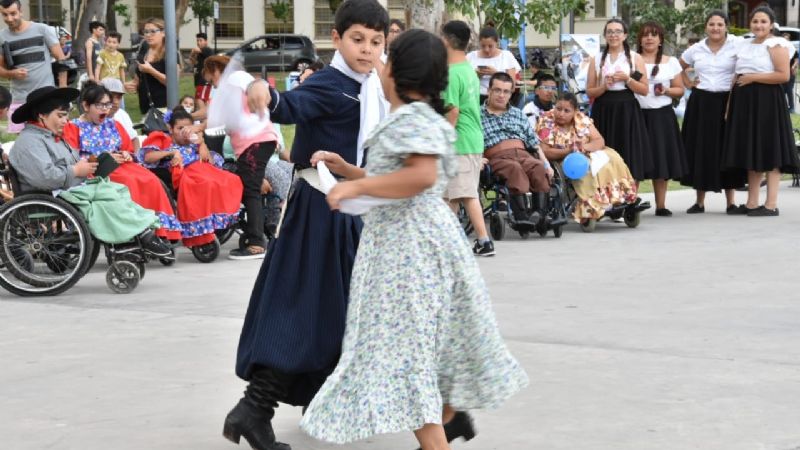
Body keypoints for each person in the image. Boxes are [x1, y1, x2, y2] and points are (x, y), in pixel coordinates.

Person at [298, 28, 527, 450]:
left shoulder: (409, 118)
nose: (376, 66)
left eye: (383, 58)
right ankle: (446, 418)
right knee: (413, 347)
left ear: (396, 73)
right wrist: (348, 170)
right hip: (419, 243)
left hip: (407, 251)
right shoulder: (420, 119)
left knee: (399, 350)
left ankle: (437, 434)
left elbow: (419, 177)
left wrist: (355, 190)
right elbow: (397, 175)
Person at [224, 1, 389, 449]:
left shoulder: (373, 85)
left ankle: (319, 401)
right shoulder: (331, 84)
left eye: (376, 41)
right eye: (358, 39)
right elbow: (292, 104)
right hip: (319, 211)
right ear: (335, 39)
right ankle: (253, 410)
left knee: (341, 310)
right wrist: (265, 93)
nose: (368, 49)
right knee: (304, 309)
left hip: (348, 212)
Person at [7, 86, 171, 255]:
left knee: (116, 190)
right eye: (60, 116)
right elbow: (45, 177)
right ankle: (137, 236)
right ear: (41, 115)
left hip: (68, 187)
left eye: (66, 116)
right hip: (50, 193)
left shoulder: (49, 136)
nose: (65, 121)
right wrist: (76, 171)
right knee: (106, 196)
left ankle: (140, 232)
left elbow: (71, 163)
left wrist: (87, 165)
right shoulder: (30, 142)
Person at [62, 82, 182, 241]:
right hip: (97, 172)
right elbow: (73, 157)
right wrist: (103, 157)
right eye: (99, 105)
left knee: (151, 180)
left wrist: (127, 154)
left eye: (107, 105)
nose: (105, 109)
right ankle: (137, 229)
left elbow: (130, 149)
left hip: (123, 166)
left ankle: (161, 229)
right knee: (128, 182)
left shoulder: (114, 124)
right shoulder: (74, 127)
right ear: (86, 105)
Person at [721, 6, 800, 216]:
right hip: (743, 102)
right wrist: (730, 106)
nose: (758, 25)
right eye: (755, 21)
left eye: (763, 21)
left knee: (769, 150)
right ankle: (752, 202)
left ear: (771, 24)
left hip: (766, 102)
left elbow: (783, 76)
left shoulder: (777, 44)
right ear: (750, 23)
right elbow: (736, 77)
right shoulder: (744, 45)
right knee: (751, 151)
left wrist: (753, 78)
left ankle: (771, 204)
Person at [203, 54, 280, 260]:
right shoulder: (233, 87)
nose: (213, 84)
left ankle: (256, 243)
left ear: (216, 69)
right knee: (249, 189)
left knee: (251, 191)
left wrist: (199, 125)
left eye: (211, 79)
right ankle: (255, 236)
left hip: (255, 142)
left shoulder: (235, 79)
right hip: (255, 143)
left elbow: (220, 118)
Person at [679, 11, 747, 214]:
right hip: (701, 101)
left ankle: (731, 202)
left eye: (719, 24)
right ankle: (699, 202)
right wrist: (688, 83)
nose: (715, 28)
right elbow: (679, 67)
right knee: (701, 148)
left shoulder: (738, 45)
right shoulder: (696, 49)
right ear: (706, 27)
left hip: (728, 101)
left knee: (727, 148)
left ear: (726, 26)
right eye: (711, 24)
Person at [537, 93, 639, 221]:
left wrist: (584, 148)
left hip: (587, 151)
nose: (561, 113)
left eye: (566, 110)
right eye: (558, 109)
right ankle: (594, 204)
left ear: (574, 111)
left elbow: (599, 140)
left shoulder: (581, 119)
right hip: (564, 159)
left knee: (614, 158)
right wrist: (569, 151)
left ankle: (621, 197)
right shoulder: (546, 120)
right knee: (586, 167)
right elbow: (545, 151)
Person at [441, 20, 494, 257]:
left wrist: (443, 140)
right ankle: (445, 242)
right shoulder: (469, 71)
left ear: (447, 41)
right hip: (472, 138)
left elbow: (452, 110)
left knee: (466, 193)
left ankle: (484, 240)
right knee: (450, 194)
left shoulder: (452, 74)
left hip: (459, 140)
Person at [482, 72, 553, 227]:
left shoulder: (517, 114)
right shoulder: (478, 115)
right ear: (489, 91)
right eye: (497, 90)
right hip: (497, 157)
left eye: (506, 91)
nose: (501, 95)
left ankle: (540, 216)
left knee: (539, 168)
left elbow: (533, 142)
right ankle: (521, 217)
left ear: (511, 93)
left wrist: (546, 163)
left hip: (522, 153)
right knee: (514, 169)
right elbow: (472, 141)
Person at [165, 107, 243, 248]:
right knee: (206, 184)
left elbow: (210, 161)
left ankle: (222, 221)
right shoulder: (168, 145)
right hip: (189, 174)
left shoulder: (196, 144)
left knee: (232, 179)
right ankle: (204, 227)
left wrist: (201, 143)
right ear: (170, 129)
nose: (184, 131)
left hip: (205, 169)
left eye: (188, 128)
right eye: (180, 128)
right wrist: (173, 154)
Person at [586, 18, 652, 181]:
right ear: (605, 35)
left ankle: (630, 198)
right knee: (603, 153)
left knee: (629, 152)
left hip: (627, 108)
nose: (613, 35)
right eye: (609, 32)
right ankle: (606, 196)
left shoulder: (635, 58)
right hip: (603, 108)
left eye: (617, 31)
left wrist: (627, 79)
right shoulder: (596, 59)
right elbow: (589, 91)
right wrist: (604, 87)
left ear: (625, 35)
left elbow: (644, 90)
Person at [635, 21, 688, 216]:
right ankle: (631, 203)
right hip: (637, 114)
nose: (649, 38)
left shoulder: (670, 61)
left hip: (662, 115)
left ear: (660, 40)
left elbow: (680, 90)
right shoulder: (632, 59)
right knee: (635, 160)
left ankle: (661, 205)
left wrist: (666, 90)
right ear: (639, 39)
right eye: (645, 34)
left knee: (661, 159)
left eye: (654, 35)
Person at [0, 0, 66, 133]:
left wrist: (62, 92)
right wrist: (12, 74)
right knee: (23, 142)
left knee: (49, 136)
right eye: (5, 15)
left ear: (21, 11)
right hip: (19, 98)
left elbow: (61, 60)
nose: (9, 18)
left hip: (45, 96)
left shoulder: (42, 30)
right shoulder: (2, 36)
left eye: (13, 13)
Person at [125, 18, 177, 115]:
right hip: (146, 108)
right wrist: (132, 85)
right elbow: (138, 79)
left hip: (164, 107)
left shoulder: (170, 53)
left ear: (163, 33)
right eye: (146, 32)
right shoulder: (144, 51)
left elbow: (172, 83)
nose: (148, 35)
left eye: (153, 31)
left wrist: (151, 70)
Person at [467, 27, 521, 104]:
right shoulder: (471, 57)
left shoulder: (506, 56)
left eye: (490, 46)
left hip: (500, 100)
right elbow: (464, 84)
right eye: (483, 46)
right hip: (475, 99)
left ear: (497, 43)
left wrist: (497, 74)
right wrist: (476, 76)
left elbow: (512, 86)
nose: (486, 50)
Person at [190, 32, 213, 110]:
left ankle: (204, 120)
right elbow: (193, 62)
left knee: (200, 102)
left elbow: (196, 49)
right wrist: (192, 55)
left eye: (200, 40)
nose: (198, 42)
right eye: (197, 40)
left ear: (206, 41)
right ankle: (205, 119)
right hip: (199, 82)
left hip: (204, 82)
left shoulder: (207, 50)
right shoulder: (199, 54)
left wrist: (194, 51)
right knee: (201, 102)